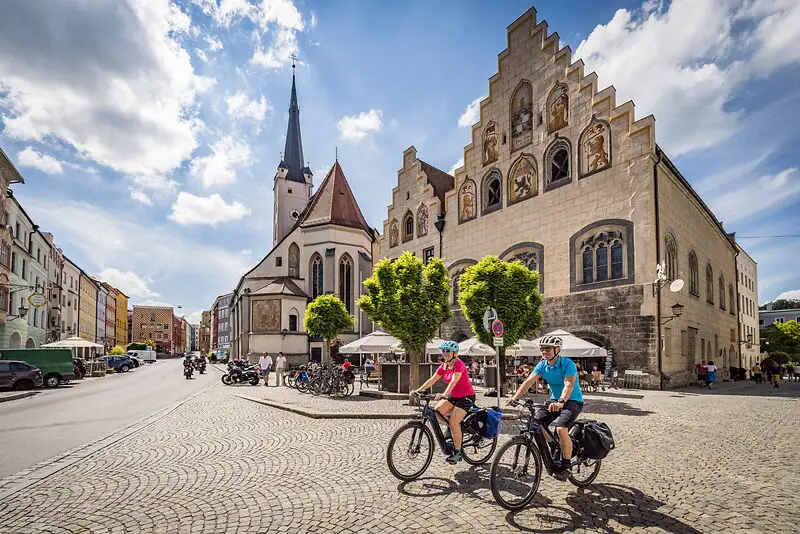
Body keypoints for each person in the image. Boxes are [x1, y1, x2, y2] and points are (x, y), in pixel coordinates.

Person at [508, 335, 584, 478]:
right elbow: (528, 381)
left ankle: (566, 465)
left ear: (557, 349)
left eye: (548, 349)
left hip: (572, 401)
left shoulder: (568, 364)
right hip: (554, 399)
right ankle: (554, 445)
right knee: (536, 422)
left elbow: (569, 384)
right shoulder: (542, 365)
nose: (545, 352)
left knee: (561, 429)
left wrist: (561, 401)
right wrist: (515, 397)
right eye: (542, 349)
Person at [411, 340, 476, 464]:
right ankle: (454, 429)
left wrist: (444, 394)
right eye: (443, 351)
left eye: (447, 351)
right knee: (436, 413)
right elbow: (432, 379)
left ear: (454, 353)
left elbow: (453, 381)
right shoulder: (444, 365)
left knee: (453, 421)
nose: (444, 353)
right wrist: (418, 390)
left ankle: (458, 453)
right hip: (454, 396)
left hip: (466, 397)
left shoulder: (459, 365)